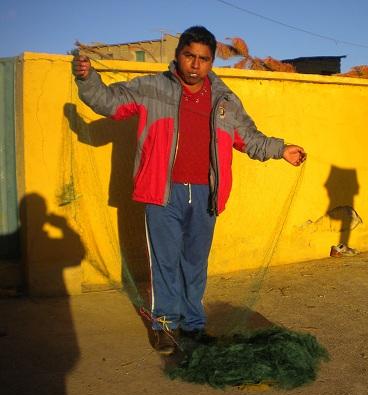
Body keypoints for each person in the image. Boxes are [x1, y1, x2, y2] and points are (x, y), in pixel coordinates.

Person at [72, 26, 306, 355]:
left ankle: (193, 324)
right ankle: (165, 325)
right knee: (165, 262)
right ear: (178, 55)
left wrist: (281, 149)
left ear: (211, 62)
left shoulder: (225, 100)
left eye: (204, 59)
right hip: (163, 192)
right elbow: (108, 102)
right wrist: (87, 79)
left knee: (195, 263)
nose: (195, 65)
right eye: (189, 56)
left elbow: (249, 138)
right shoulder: (151, 88)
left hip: (206, 194)